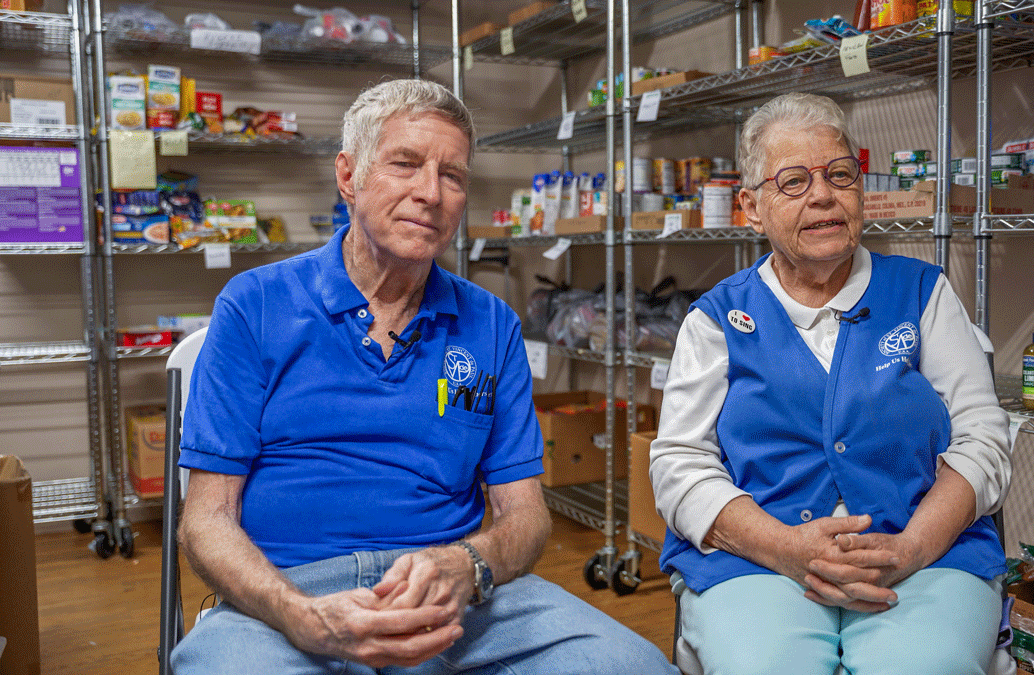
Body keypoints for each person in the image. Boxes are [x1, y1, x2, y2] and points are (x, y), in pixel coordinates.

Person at [172, 79, 677, 675]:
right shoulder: (255, 303)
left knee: (632, 665)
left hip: (453, 599)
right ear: (349, 175)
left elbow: (525, 517)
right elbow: (205, 521)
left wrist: (470, 563)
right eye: (405, 164)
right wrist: (300, 615)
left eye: (453, 176)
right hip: (289, 596)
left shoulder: (491, 325)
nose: (430, 193)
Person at [650, 92, 1012, 675]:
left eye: (839, 175)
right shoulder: (717, 318)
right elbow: (679, 465)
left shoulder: (922, 294)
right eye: (793, 181)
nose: (822, 195)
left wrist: (914, 546)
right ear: (751, 207)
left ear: (860, 190)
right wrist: (787, 549)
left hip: (925, 557)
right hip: (759, 561)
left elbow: (983, 437)